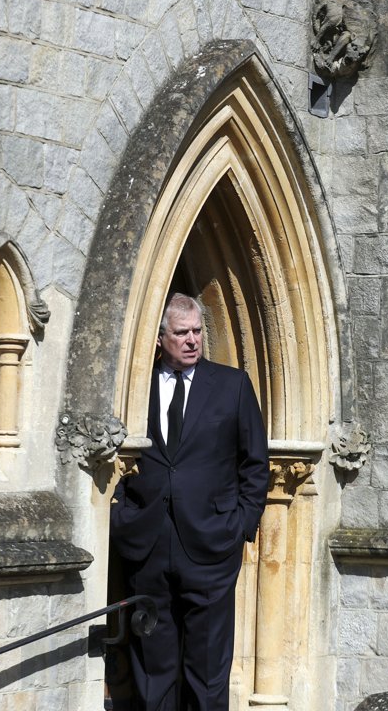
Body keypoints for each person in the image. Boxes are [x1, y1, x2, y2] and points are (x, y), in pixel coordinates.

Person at [111, 292, 269, 711]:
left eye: (197, 331)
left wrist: (240, 527)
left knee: (207, 673)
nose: (192, 340)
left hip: (212, 549)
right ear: (160, 338)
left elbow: (256, 465)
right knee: (152, 671)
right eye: (181, 333)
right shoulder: (133, 387)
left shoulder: (233, 386)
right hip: (146, 547)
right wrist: (120, 519)